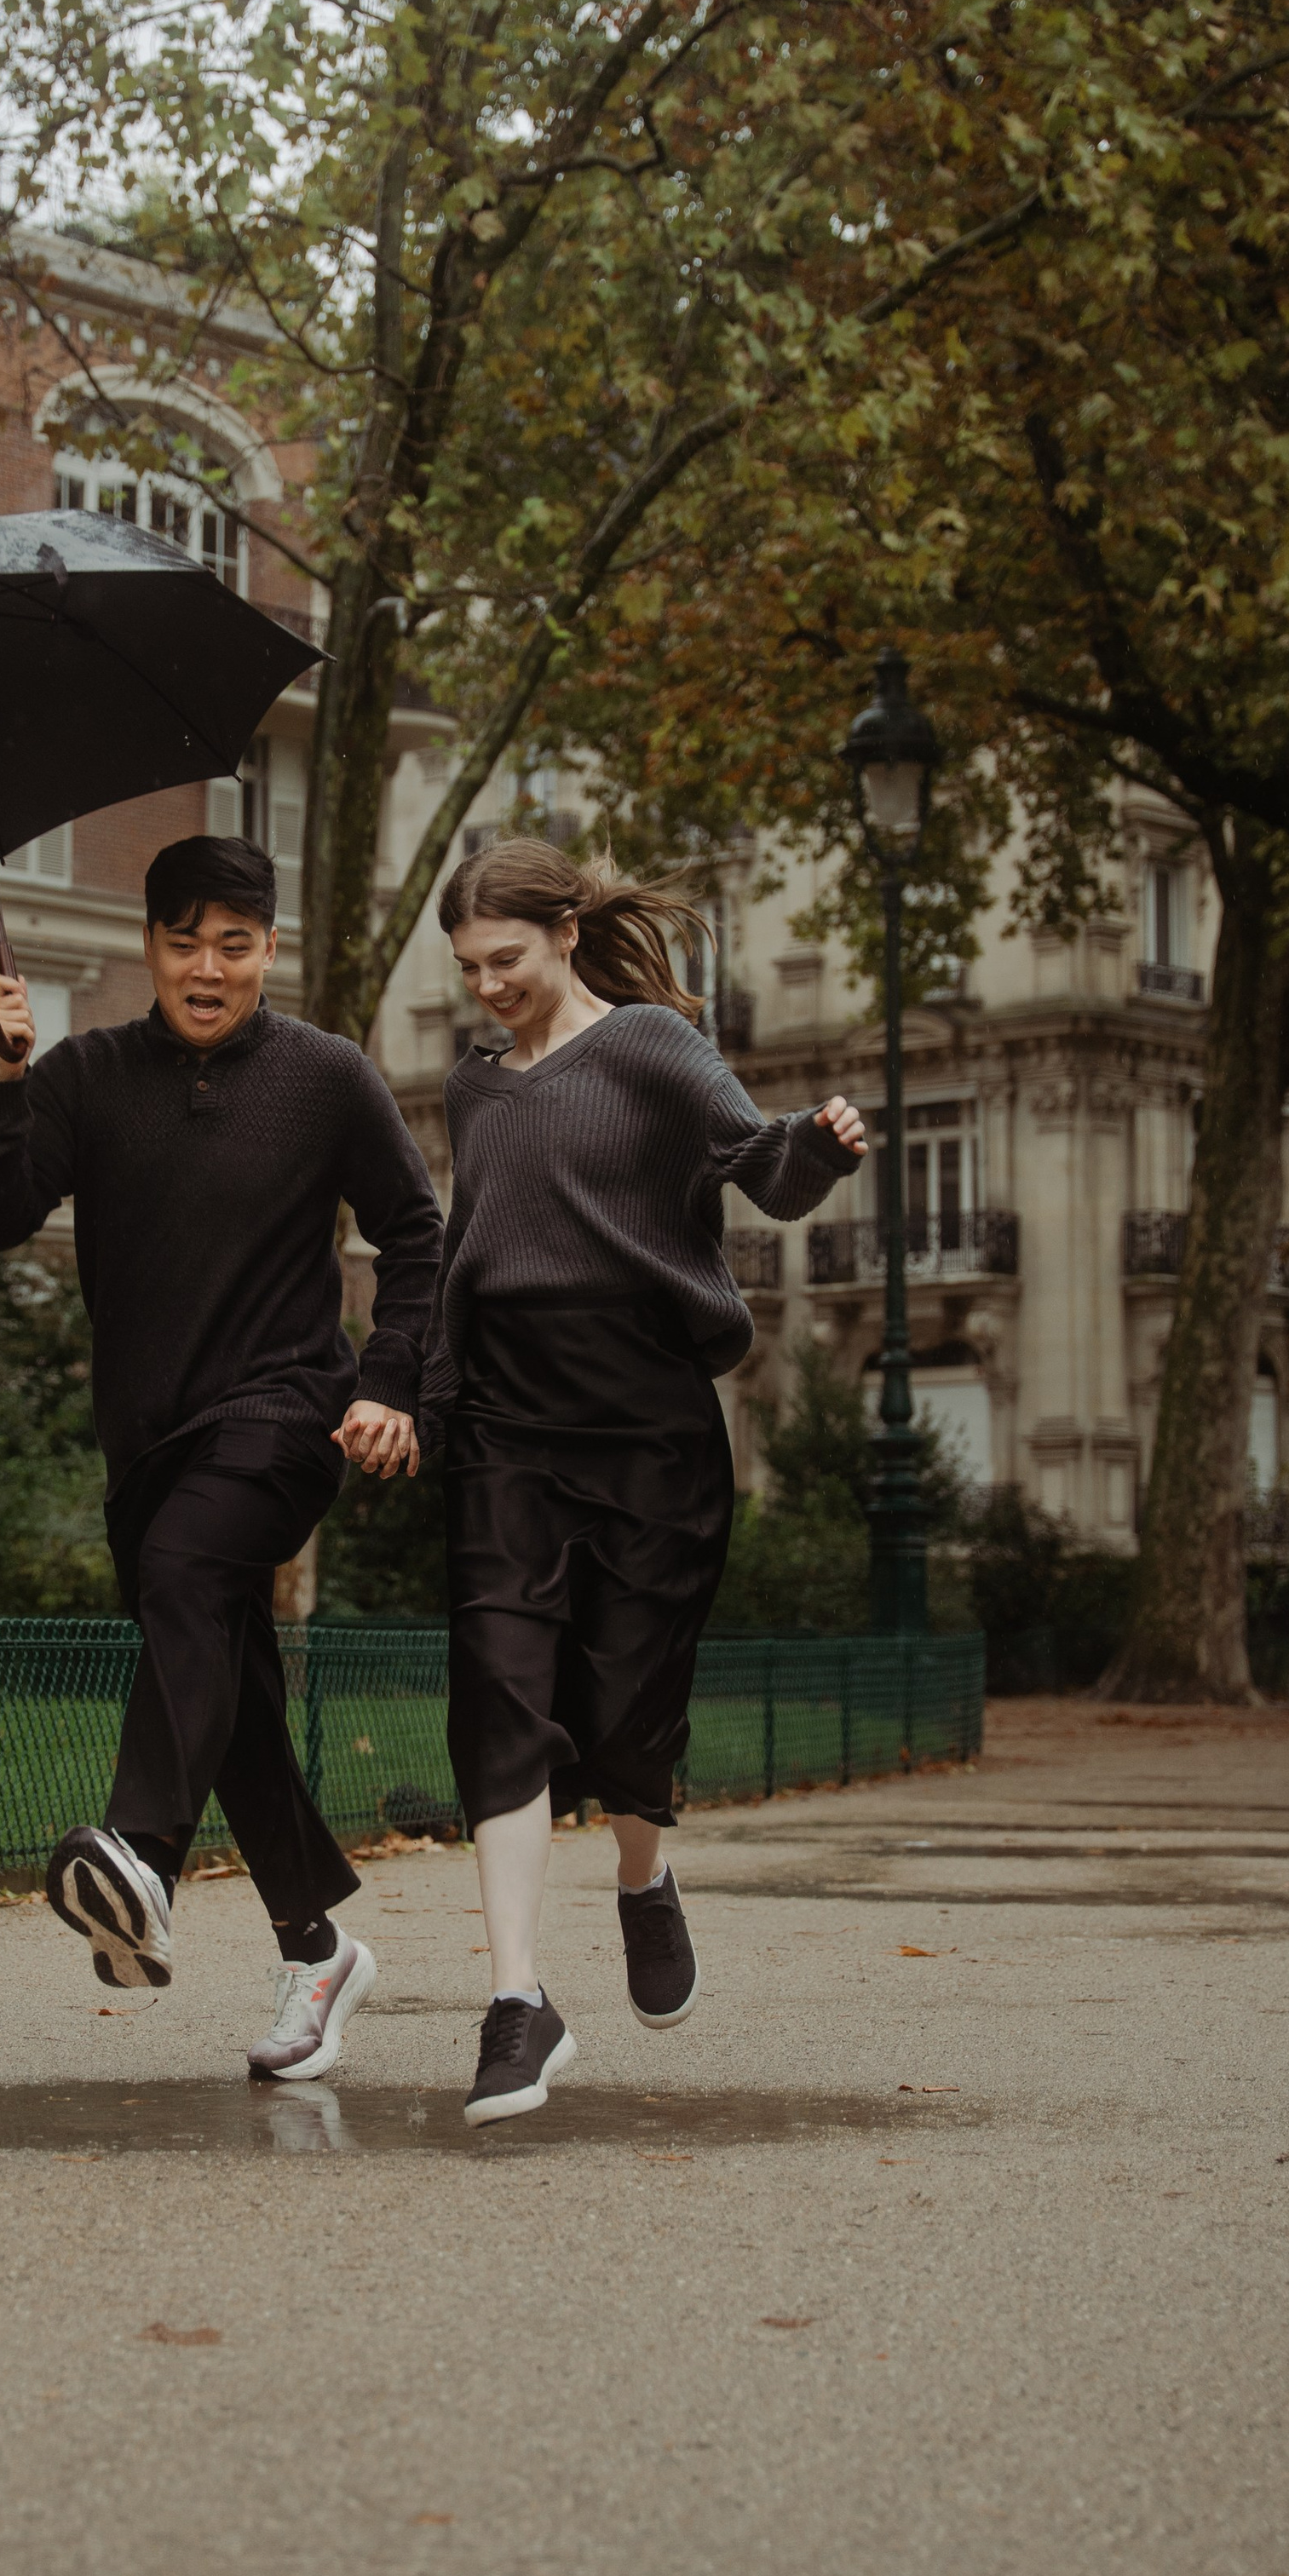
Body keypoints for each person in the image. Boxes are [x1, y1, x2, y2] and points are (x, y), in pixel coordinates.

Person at [0, 831, 443, 2080]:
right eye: (185, 944)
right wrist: (5, 1079)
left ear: (269, 949)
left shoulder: (329, 1077)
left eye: (234, 944)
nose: (208, 968)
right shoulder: (85, 1075)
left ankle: (141, 1855)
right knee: (228, 1699)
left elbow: (417, 1236)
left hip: (288, 1413)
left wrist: (389, 1383)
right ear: (150, 949)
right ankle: (317, 1949)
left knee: (185, 1574)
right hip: (147, 1442)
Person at [424, 841, 867, 2126]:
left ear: (567, 933)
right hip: (507, 1418)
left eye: (506, 959)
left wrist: (821, 1144)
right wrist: (427, 1392)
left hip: (646, 1419)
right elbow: (466, 1251)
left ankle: (642, 1878)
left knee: (628, 1709)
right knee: (499, 1694)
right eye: (469, 968)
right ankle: (518, 2004)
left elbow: (764, 1169)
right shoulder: (472, 1089)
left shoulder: (653, 1049)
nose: (488, 986)